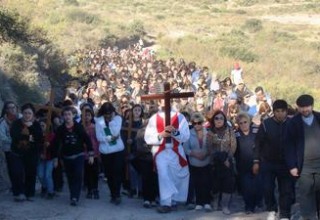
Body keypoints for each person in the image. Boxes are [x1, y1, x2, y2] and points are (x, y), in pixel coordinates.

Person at [144, 99, 190, 213]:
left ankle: (174, 200)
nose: (165, 103)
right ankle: (165, 203)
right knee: (163, 175)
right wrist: (160, 135)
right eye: (162, 101)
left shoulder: (180, 117)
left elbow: (186, 136)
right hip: (161, 151)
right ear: (159, 102)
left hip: (175, 150)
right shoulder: (154, 118)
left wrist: (175, 132)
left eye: (167, 100)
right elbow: (148, 137)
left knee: (176, 175)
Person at [253, 100, 295, 220]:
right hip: (268, 163)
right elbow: (258, 144)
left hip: (287, 163)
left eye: (283, 111)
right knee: (267, 188)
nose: (280, 114)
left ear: (286, 111)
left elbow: (298, 143)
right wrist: (256, 161)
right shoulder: (266, 124)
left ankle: (285, 214)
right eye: (277, 111)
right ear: (274, 112)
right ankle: (271, 210)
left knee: (286, 190)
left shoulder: (292, 124)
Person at [285, 94, 320, 220]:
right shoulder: (293, 123)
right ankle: (309, 217)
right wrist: (292, 166)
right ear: (298, 108)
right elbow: (288, 146)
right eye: (302, 107)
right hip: (304, 165)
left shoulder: (319, 118)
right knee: (306, 194)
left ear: (312, 106)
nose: (305, 109)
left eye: (307, 107)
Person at [53, 106, 94, 206]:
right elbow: (56, 144)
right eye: (65, 115)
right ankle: (73, 193)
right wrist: (55, 158)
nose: (67, 117)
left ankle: (75, 197)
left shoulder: (78, 127)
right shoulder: (60, 129)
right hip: (66, 156)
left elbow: (87, 140)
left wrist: (91, 154)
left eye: (69, 114)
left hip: (78, 155)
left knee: (78, 175)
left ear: (73, 116)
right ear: (62, 117)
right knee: (70, 177)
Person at [10, 103, 43, 201]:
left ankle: (30, 193)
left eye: (29, 113)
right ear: (22, 113)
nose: (27, 115)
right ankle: (18, 193)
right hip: (17, 153)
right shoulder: (16, 123)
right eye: (25, 113)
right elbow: (15, 136)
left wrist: (31, 127)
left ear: (33, 114)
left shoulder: (36, 124)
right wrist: (29, 137)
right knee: (17, 172)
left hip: (31, 153)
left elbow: (39, 137)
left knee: (31, 173)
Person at [206, 110, 237, 215]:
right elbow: (209, 148)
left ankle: (225, 205)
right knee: (215, 184)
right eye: (216, 118)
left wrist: (227, 158)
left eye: (221, 118)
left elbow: (233, 146)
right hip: (215, 163)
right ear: (213, 120)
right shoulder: (210, 133)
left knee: (228, 184)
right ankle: (215, 202)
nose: (219, 120)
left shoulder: (229, 131)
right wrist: (221, 159)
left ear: (224, 120)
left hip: (228, 162)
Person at [95, 102, 125, 205]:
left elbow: (116, 132)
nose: (107, 115)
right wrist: (109, 138)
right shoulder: (99, 121)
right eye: (106, 113)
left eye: (109, 113)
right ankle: (113, 193)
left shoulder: (118, 119)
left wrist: (111, 121)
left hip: (117, 151)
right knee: (109, 174)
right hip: (106, 151)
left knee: (117, 172)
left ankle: (117, 194)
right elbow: (99, 137)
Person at [183, 112, 212, 212]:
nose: (197, 125)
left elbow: (211, 146)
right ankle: (199, 202)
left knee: (207, 182)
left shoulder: (208, 133)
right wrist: (194, 154)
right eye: (194, 123)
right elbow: (186, 148)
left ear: (202, 122)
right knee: (197, 183)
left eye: (199, 123)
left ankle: (207, 202)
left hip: (206, 161)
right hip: (194, 162)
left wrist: (206, 153)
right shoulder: (188, 134)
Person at [234, 112, 262, 214]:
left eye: (245, 122)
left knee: (258, 186)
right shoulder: (236, 135)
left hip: (257, 163)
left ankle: (258, 203)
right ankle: (249, 207)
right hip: (242, 166)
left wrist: (257, 161)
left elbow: (260, 147)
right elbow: (234, 151)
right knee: (246, 188)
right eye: (240, 123)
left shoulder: (256, 132)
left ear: (249, 122)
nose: (243, 124)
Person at [0, 101, 19, 191]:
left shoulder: (21, 118)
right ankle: (14, 186)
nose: (12, 109)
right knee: (12, 169)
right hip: (9, 149)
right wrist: (14, 141)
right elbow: (2, 136)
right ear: (6, 109)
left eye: (13, 107)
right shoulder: (3, 122)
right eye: (10, 108)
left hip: (22, 148)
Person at [82, 108, 100, 200]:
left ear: (92, 116)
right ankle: (89, 189)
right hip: (84, 153)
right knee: (87, 172)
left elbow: (98, 140)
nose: (86, 117)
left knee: (94, 172)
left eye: (88, 115)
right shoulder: (81, 127)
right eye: (85, 115)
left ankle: (95, 189)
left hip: (94, 152)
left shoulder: (95, 127)